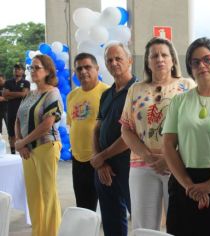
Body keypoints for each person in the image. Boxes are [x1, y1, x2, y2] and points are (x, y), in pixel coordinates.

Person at [120, 37, 195, 231]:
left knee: (180, 223)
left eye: (164, 55)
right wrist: (147, 155)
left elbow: (195, 129)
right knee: (144, 227)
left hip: (178, 165)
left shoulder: (187, 86)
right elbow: (126, 128)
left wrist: (170, 159)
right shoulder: (135, 89)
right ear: (147, 61)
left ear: (172, 60)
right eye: (154, 55)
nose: (159, 59)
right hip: (142, 166)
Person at [162, 37, 210, 236]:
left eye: (207, 59)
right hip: (184, 182)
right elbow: (168, 145)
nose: (202, 65)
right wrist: (189, 185)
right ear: (190, 69)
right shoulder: (179, 101)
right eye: (195, 62)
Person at [90, 42, 136, 236]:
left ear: (130, 61)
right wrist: (99, 161)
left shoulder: (138, 91)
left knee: (140, 219)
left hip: (130, 166)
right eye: (110, 60)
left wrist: (102, 156)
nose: (114, 63)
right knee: (111, 222)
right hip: (104, 168)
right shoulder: (106, 94)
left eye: (119, 58)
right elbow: (96, 129)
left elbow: (132, 135)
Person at [14, 55, 63, 236]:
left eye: (37, 68)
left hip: (46, 147)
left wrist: (22, 142)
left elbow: (47, 123)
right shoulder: (30, 94)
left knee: (48, 194)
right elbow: (18, 120)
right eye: (31, 68)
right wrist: (20, 143)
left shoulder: (53, 93)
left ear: (48, 71)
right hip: (27, 150)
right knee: (34, 195)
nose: (33, 71)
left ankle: (52, 233)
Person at [67, 53, 109, 211]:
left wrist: (104, 158)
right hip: (78, 159)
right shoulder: (71, 95)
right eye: (79, 68)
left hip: (101, 159)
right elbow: (74, 125)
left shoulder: (107, 92)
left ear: (97, 69)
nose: (83, 71)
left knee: (109, 209)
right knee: (83, 207)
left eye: (87, 67)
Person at [4, 63, 30, 154]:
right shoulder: (7, 82)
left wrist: (10, 94)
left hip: (22, 112)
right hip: (10, 111)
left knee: (22, 133)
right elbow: (4, 95)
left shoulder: (26, 82)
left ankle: (22, 152)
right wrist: (19, 94)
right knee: (11, 134)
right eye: (15, 69)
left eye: (18, 69)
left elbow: (24, 94)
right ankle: (13, 153)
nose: (16, 70)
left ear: (23, 71)